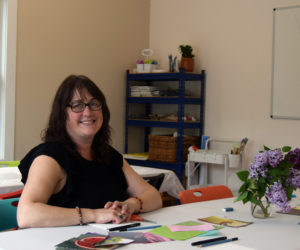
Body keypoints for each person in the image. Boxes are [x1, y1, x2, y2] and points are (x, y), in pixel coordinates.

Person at [17, 75, 162, 228]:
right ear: (62, 113)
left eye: (94, 104)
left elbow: (154, 197)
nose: (88, 112)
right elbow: (26, 215)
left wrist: (130, 205)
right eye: (77, 105)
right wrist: (94, 215)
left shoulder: (108, 155)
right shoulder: (50, 157)